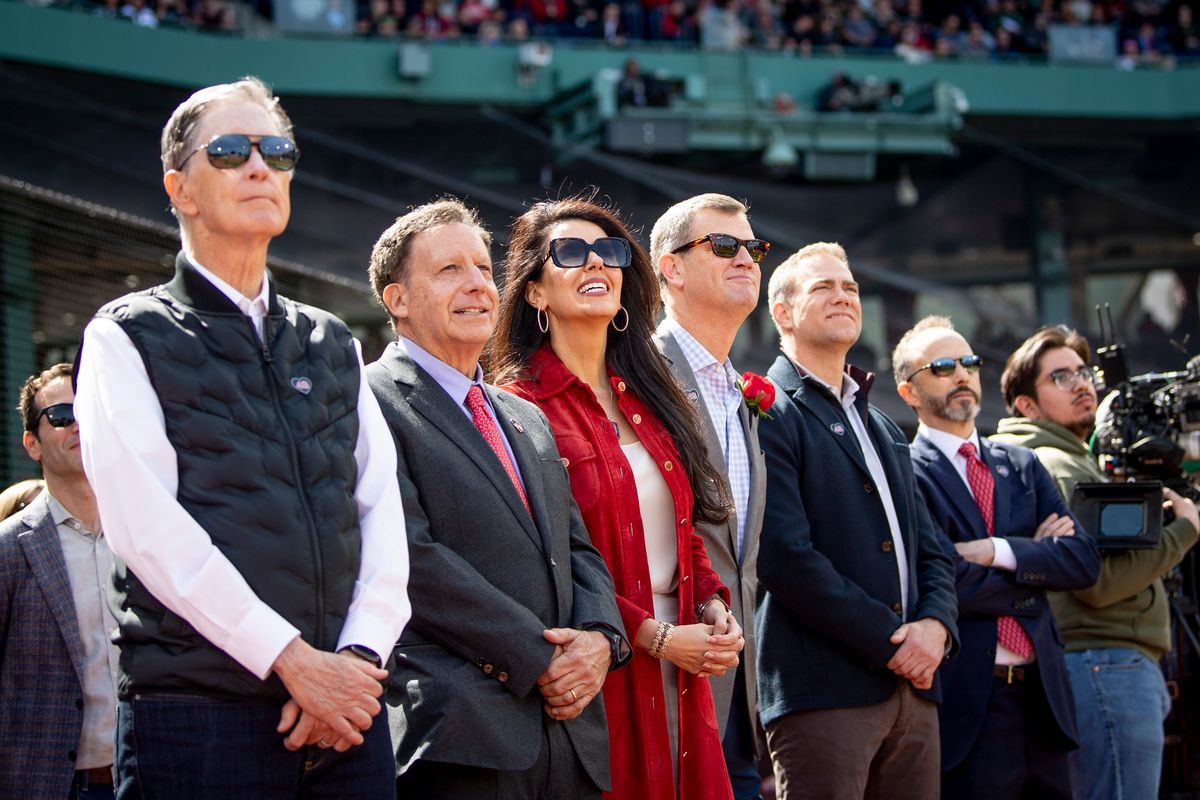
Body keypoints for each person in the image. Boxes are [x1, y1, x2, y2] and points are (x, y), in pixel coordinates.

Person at [74, 77, 411, 798]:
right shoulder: (125, 335)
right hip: (199, 715)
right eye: (230, 151)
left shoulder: (333, 340)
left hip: (349, 711)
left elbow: (383, 515)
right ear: (181, 189)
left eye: (277, 151)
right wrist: (293, 662)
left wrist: (353, 661)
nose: (260, 166)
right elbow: (147, 530)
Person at [365, 198, 628, 799]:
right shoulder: (366, 401)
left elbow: (576, 547)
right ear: (396, 300)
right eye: (450, 270)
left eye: (484, 269)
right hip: (462, 732)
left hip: (571, 738)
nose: (478, 286)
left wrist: (598, 639)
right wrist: (539, 658)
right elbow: (410, 555)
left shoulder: (523, 415)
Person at [489, 196, 743, 800]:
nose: (595, 264)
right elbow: (539, 566)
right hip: (598, 671)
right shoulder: (516, 404)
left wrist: (711, 604)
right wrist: (654, 636)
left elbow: (681, 530)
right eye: (570, 253)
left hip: (685, 670)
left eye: (610, 252)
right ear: (534, 292)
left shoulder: (650, 394)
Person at [756, 242, 958, 800]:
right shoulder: (767, 411)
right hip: (823, 692)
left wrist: (937, 628)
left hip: (916, 693)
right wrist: (893, 642)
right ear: (782, 313)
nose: (843, 296)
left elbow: (933, 551)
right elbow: (784, 557)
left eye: (850, 287)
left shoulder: (887, 428)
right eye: (823, 287)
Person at [892, 316, 1102, 800]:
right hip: (969, 705)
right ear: (908, 391)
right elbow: (941, 581)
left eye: (969, 362)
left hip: (1043, 699)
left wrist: (997, 551)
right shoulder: (903, 470)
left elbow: (1083, 562)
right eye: (943, 366)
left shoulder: (1022, 464)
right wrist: (1035, 568)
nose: (962, 374)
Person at [991, 326, 1200, 800]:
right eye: (1060, 377)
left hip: (1100, 668)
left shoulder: (1058, 460)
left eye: (1084, 372)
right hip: (1107, 667)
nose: (1083, 384)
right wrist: (1185, 529)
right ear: (1026, 405)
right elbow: (1097, 584)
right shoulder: (1057, 466)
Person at [649, 193, 768, 800]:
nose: (746, 257)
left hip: (736, 693)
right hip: (663, 683)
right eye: (724, 246)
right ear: (670, 268)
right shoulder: (638, 374)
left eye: (753, 248)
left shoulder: (739, 390)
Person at [0, 365, 118, 799]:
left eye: (89, 410)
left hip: (152, 777)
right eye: (62, 415)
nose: (78, 425)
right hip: (51, 784)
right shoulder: (9, 549)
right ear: (32, 443)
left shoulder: (148, 537)